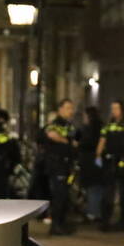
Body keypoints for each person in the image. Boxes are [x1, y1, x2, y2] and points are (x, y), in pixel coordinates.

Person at [97, 100, 124, 231]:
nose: (114, 111)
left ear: (122, 109)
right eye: (112, 108)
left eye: (116, 108)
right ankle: (106, 221)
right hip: (110, 161)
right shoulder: (109, 124)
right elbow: (102, 141)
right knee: (108, 193)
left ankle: (123, 222)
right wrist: (98, 155)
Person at [43, 99, 77, 236]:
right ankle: (55, 225)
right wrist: (67, 141)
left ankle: (61, 223)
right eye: (68, 108)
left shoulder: (68, 125)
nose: (71, 111)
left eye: (71, 108)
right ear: (60, 109)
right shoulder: (56, 122)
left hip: (65, 164)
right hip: (57, 164)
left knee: (64, 195)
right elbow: (51, 134)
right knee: (59, 195)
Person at [76, 106, 105, 222]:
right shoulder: (102, 126)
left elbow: (82, 142)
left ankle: (92, 213)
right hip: (99, 162)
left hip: (88, 162)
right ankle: (97, 212)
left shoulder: (87, 129)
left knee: (91, 189)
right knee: (98, 188)